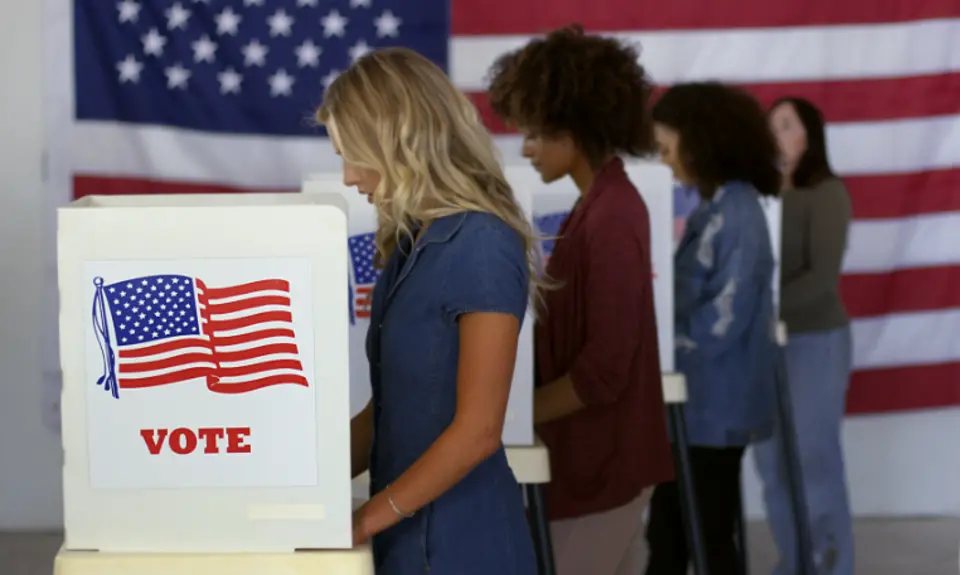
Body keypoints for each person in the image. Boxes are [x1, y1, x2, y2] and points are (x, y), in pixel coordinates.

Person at [316, 47, 541, 574]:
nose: (349, 177)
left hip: (465, 545)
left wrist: (362, 522)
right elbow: (385, 412)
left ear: (398, 143)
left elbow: (478, 431)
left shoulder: (482, 241)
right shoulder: (412, 243)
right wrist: (297, 489)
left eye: (354, 155)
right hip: (406, 538)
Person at [487, 25, 674, 575]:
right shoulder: (597, 205)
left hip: (603, 464)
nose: (525, 147)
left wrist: (506, 420)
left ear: (576, 129)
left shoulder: (612, 215)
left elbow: (604, 369)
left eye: (536, 133)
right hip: (589, 461)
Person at [646, 81, 780, 575]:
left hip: (715, 404)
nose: (664, 162)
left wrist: (659, 350)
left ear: (701, 142)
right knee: (673, 529)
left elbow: (725, 318)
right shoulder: (715, 207)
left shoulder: (738, 213)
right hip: (698, 401)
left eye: (666, 149)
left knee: (704, 535)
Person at [753, 97, 855, 575]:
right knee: (772, 464)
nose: (778, 135)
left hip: (814, 341)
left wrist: (759, 312)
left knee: (813, 458)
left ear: (810, 135)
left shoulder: (827, 192)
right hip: (764, 346)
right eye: (771, 127)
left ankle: (830, 564)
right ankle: (794, 563)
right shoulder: (759, 194)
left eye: (787, 125)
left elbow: (821, 279)